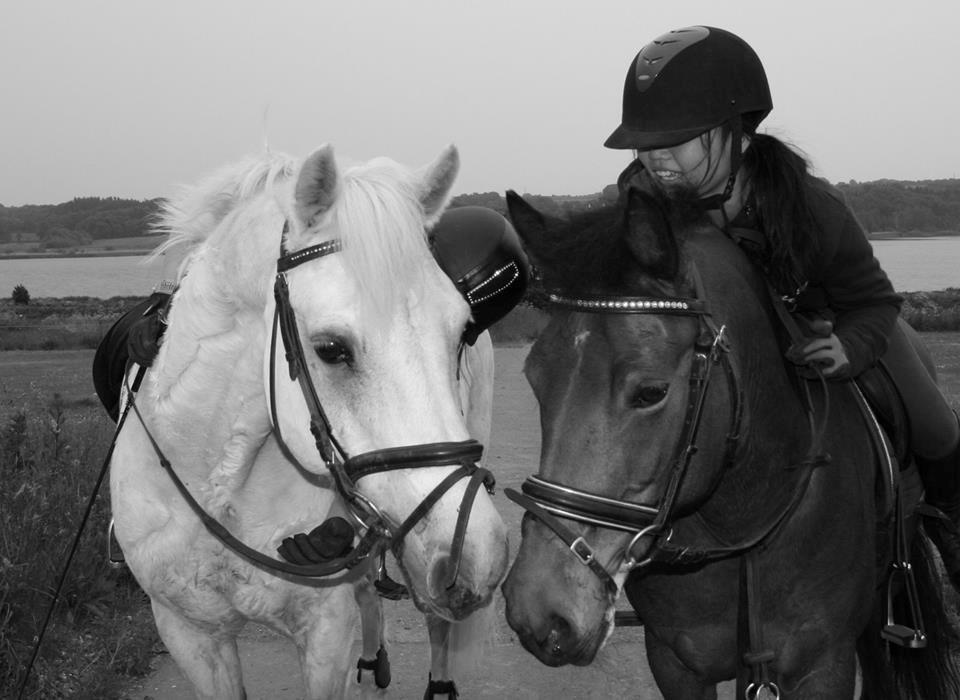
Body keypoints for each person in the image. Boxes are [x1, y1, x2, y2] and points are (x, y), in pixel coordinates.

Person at [603, 25, 960, 579]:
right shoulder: (641, 204)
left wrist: (850, 347)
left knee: (937, 428)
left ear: (737, 133)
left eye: (677, 139)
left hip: (831, 327)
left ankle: (950, 525)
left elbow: (872, 300)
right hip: (721, 345)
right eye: (645, 144)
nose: (656, 158)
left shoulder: (812, 207)